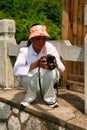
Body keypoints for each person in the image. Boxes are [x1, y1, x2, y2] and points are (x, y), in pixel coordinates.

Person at [13, 23, 65, 108]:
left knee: (52, 72)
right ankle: (30, 97)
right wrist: (36, 64)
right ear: (32, 39)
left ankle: (50, 99)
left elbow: (62, 67)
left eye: (44, 38)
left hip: (46, 81)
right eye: (38, 38)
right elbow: (16, 70)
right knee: (24, 75)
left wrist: (54, 65)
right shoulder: (24, 51)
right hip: (32, 83)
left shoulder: (49, 47)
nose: (41, 42)